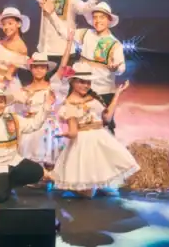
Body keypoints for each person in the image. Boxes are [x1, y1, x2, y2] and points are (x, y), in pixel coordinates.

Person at [53, 63, 138, 197]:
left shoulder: (93, 97)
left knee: (103, 179)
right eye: (81, 82)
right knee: (87, 194)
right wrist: (64, 134)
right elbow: (74, 132)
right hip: (84, 143)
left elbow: (107, 118)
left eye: (88, 82)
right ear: (72, 82)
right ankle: (67, 186)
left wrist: (117, 94)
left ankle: (89, 186)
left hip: (101, 138)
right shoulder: (69, 105)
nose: (85, 86)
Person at [49, 2, 125, 134]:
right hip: (84, 87)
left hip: (103, 90)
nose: (97, 20)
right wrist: (51, 14)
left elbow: (122, 67)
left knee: (105, 125)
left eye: (102, 17)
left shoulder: (114, 43)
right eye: (95, 17)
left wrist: (115, 69)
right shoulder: (86, 34)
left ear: (109, 20)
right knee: (80, 124)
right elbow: (65, 32)